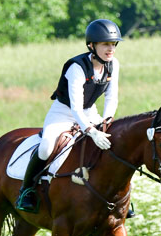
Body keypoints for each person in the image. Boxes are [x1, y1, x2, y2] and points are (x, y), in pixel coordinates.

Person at [16, 18, 125, 214]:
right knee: (46, 147)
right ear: (92, 45)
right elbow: (75, 108)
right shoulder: (77, 67)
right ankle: (27, 190)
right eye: (105, 44)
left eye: (113, 44)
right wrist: (91, 131)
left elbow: (112, 97)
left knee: (112, 143)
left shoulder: (113, 64)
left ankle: (117, 196)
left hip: (91, 111)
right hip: (63, 113)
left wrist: (107, 122)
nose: (111, 49)